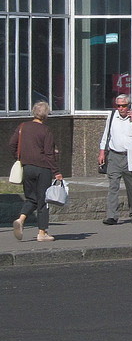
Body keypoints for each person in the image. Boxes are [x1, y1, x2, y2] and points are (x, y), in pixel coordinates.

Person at [8, 101, 64, 242]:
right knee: (43, 200)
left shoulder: (22, 126)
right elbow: (49, 153)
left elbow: (12, 144)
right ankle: (42, 233)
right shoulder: (45, 130)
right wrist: (56, 171)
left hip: (27, 167)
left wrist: (20, 157)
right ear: (46, 115)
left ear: (34, 112)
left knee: (31, 198)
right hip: (43, 168)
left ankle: (20, 219)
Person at [98, 94, 132, 225]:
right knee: (113, 186)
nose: (121, 108)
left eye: (123, 106)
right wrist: (102, 152)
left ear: (129, 106)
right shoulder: (112, 116)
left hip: (131, 156)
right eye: (118, 105)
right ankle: (112, 216)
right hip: (114, 155)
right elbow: (106, 134)